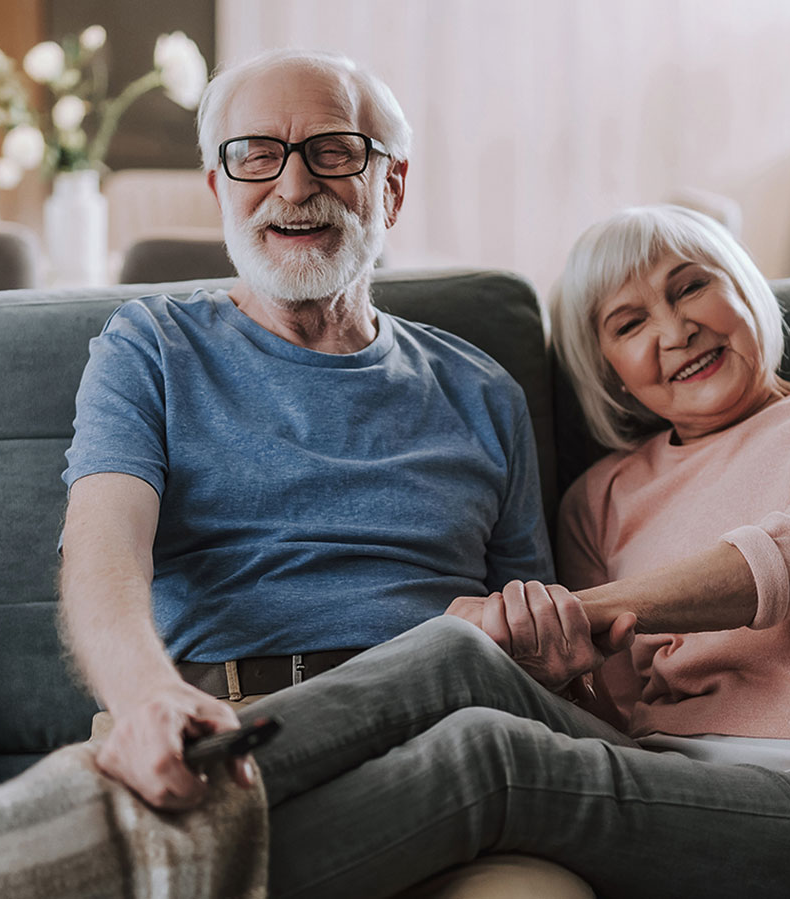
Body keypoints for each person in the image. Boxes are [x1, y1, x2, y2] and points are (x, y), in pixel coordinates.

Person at [228, 205, 790, 898]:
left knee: (490, 759)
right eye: (629, 323)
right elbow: (611, 708)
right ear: (612, 375)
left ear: (745, 288)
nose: (675, 332)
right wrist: (534, 650)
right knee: (456, 649)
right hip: (671, 781)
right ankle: (163, 793)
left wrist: (578, 611)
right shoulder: (601, 498)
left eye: (689, 287)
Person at [58, 49, 552, 810]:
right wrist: (146, 696)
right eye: (256, 155)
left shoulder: (483, 391)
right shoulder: (150, 347)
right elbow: (102, 551)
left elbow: (536, 630)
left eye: (333, 152)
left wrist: (562, 652)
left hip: (442, 740)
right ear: (220, 188)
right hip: (217, 729)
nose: (293, 186)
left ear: (391, 187)